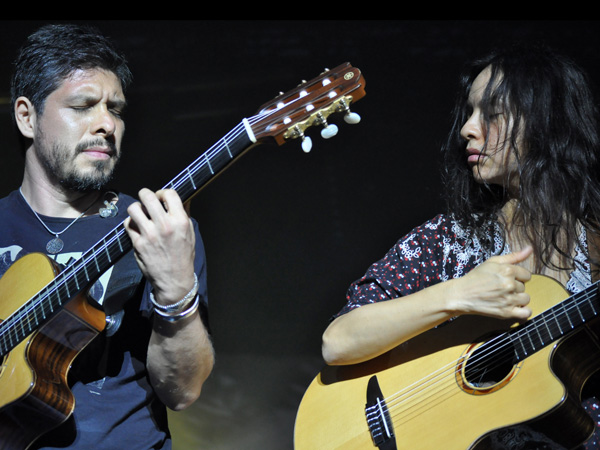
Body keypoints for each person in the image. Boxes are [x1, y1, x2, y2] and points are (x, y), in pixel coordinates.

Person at [322, 43, 600, 449]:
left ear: (547, 120)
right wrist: (459, 293)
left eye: (491, 114)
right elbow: (339, 341)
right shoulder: (446, 240)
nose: (468, 128)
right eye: (469, 113)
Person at [0, 24, 214, 449]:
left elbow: (183, 391)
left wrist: (175, 290)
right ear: (27, 116)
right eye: (83, 106)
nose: (106, 125)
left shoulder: (158, 228)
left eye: (115, 109)